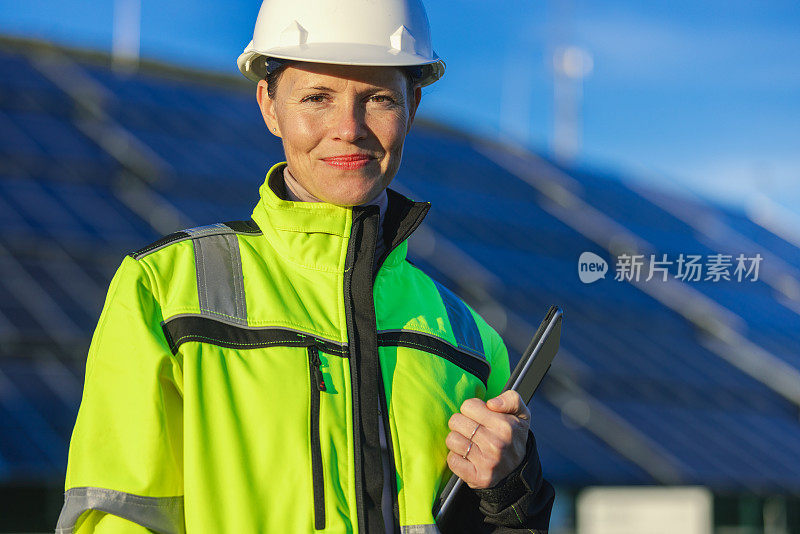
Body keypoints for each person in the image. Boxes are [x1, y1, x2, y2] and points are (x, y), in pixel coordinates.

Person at [56, 0, 555, 532]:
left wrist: (513, 492)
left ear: (413, 107)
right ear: (269, 106)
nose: (349, 128)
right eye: (317, 97)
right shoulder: (165, 290)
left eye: (380, 99)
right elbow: (118, 518)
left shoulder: (472, 345)